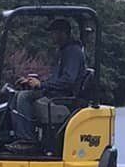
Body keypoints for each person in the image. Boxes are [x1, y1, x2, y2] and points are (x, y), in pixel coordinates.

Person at [10, 18, 88, 146]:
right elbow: (56, 79)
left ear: (62, 33)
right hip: (56, 93)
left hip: (64, 97)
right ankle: (17, 136)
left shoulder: (73, 52)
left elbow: (68, 81)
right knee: (15, 95)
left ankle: (27, 141)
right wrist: (33, 82)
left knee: (23, 97)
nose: (51, 36)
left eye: (53, 33)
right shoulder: (63, 51)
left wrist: (41, 84)